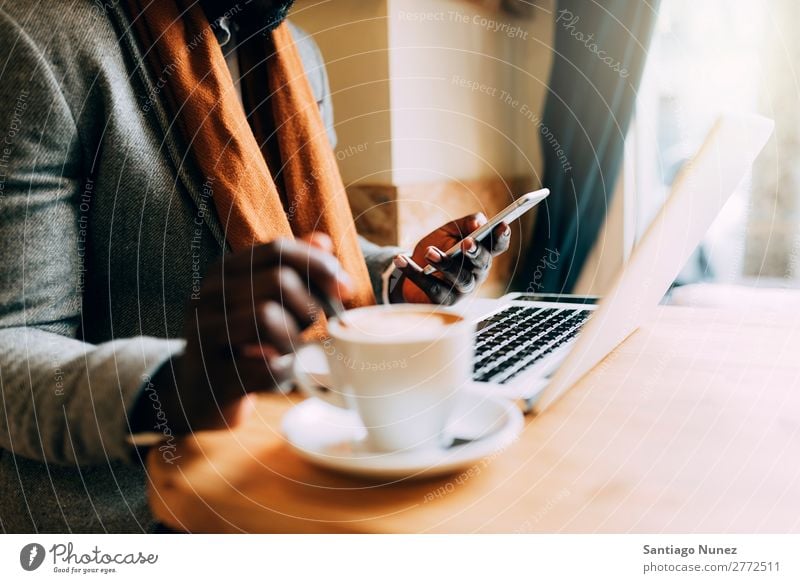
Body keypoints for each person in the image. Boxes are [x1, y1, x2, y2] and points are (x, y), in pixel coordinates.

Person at [0, 0, 511, 533]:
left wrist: (399, 282)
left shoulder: (297, 52)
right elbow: (11, 341)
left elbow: (302, 238)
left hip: (311, 451)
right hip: (136, 515)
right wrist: (175, 387)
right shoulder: (40, 38)